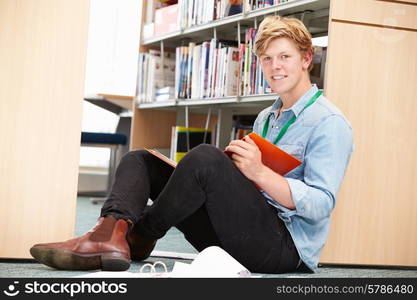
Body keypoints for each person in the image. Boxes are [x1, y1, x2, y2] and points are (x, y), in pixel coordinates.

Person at [30, 16, 353, 274]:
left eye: (285, 57)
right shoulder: (267, 117)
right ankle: (108, 234)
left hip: (282, 250)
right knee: (141, 159)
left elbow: (322, 204)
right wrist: (237, 174)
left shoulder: (329, 123)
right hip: (235, 236)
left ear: (307, 59)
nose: (274, 67)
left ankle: (140, 235)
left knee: (204, 157)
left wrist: (256, 172)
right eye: (266, 59)